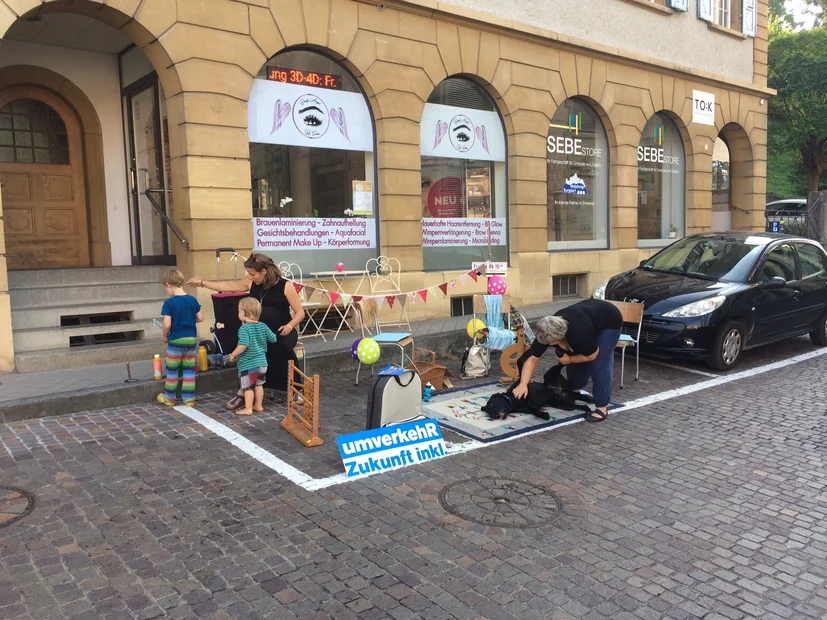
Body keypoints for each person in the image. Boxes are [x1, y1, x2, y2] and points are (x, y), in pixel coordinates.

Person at [188, 253, 305, 410]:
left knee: (282, 347)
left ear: (264, 271)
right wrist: (201, 282)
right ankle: (243, 391)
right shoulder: (251, 283)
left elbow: (300, 313)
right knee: (246, 349)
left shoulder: (285, 286)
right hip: (257, 331)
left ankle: (297, 388)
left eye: (253, 274)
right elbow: (227, 287)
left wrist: (290, 326)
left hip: (281, 330)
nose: (251, 277)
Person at [513, 298, 623, 423]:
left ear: (561, 336)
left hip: (609, 322)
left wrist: (569, 359)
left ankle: (602, 407)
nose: (547, 345)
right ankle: (575, 390)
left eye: (550, 343)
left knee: (599, 363)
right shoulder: (545, 330)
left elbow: (592, 355)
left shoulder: (577, 334)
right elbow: (532, 358)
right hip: (588, 317)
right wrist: (523, 383)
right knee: (575, 354)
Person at [158, 269, 204, 407]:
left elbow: (167, 324)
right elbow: (200, 318)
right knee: (189, 371)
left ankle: (169, 398)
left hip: (176, 341)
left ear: (168, 285)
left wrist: (164, 336)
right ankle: (189, 399)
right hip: (191, 340)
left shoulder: (169, 303)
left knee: (172, 372)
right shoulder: (192, 299)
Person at [229, 297, 278, 416]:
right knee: (259, 385)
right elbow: (273, 338)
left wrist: (233, 354)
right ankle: (258, 405)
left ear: (244, 313)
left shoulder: (244, 328)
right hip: (262, 363)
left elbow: (243, 345)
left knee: (247, 387)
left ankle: (248, 408)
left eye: (239, 310)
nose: (238, 313)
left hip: (248, 364)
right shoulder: (263, 326)